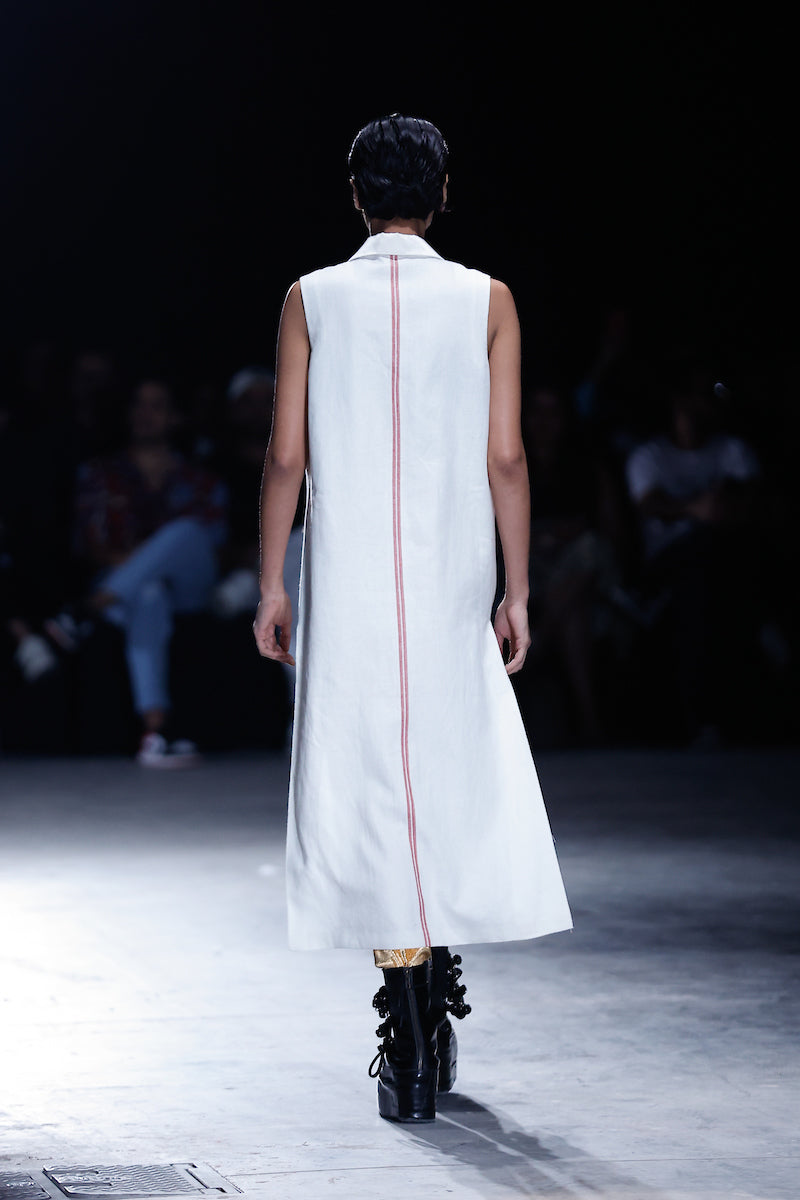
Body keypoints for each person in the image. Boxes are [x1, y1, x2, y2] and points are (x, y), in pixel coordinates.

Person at [253, 114, 572, 1122]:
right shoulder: (488, 299)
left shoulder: (310, 297)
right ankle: (429, 1004)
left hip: (348, 574)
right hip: (447, 571)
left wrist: (273, 583)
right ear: (442, 193)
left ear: (355, 195)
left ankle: (407, 1029)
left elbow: (286, 456)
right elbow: (506, 456)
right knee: (440, 772)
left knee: (368, 784)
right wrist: (517, 589)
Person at [71, 377, 229, 765]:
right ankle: (155, 732)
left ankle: (87, 610)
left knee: (186, 531)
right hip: (128, 587)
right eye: (139, 405)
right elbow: (93, 546)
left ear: (175, 417)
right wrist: (146, 566)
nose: (146, 414)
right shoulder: (101, 473)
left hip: (189, 588)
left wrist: (152, 555)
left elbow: (211, 547)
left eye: (157, 405)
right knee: (148, 593)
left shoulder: (200, 479)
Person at [625, 365, 761, 742]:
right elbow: (649, 503)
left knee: (720, 567)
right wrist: (695, 509)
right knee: (698, 571)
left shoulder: (731, 450)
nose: (700, 408)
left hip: (726, 559)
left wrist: (713, 511)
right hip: (668, 564)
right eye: (693, 399)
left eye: (708, 398)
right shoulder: (649, 456)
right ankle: (697, 718)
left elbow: (748, 506)